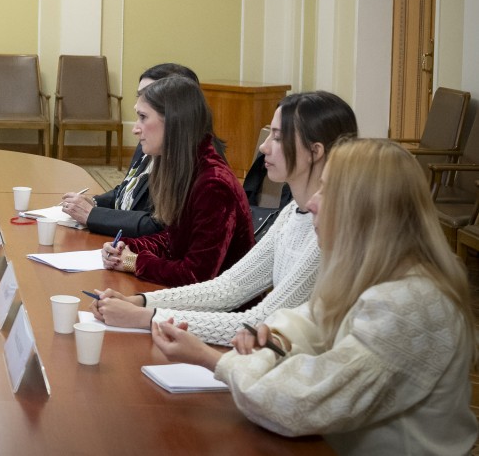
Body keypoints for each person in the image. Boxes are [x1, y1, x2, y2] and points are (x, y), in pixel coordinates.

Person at [152, 138, 477, 454]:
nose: (312, 203)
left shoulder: (409, 304)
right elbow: (300, 325)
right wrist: (274, 341)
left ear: (364, 210)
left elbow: (298, 403)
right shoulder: (368, 270)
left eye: (328, 190)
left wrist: (212, 359)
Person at [91, 91, 357, 344]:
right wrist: (142, 302)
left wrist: (147, 318)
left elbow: (263, 323)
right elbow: (229, 286)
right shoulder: (291, 213)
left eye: (277, 137)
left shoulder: (328, 229)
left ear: (315, 151)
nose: (264, 147)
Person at [99, 75, 254, 286]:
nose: (136, 128)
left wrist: (134, 262)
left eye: (143, 117)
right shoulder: (184, 166)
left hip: (225, 311)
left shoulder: (213, 185)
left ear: (173, 122)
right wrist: (128, 247)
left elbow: (197, 274)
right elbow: (173, 241)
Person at [60, 63, 200, 238]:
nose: (140, 103)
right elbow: (127, 189)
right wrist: (94, 203)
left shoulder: (193, 159)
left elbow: (159, 226)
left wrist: (92, 215)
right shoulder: (151, 138)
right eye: (139, 95)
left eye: (148, 95)